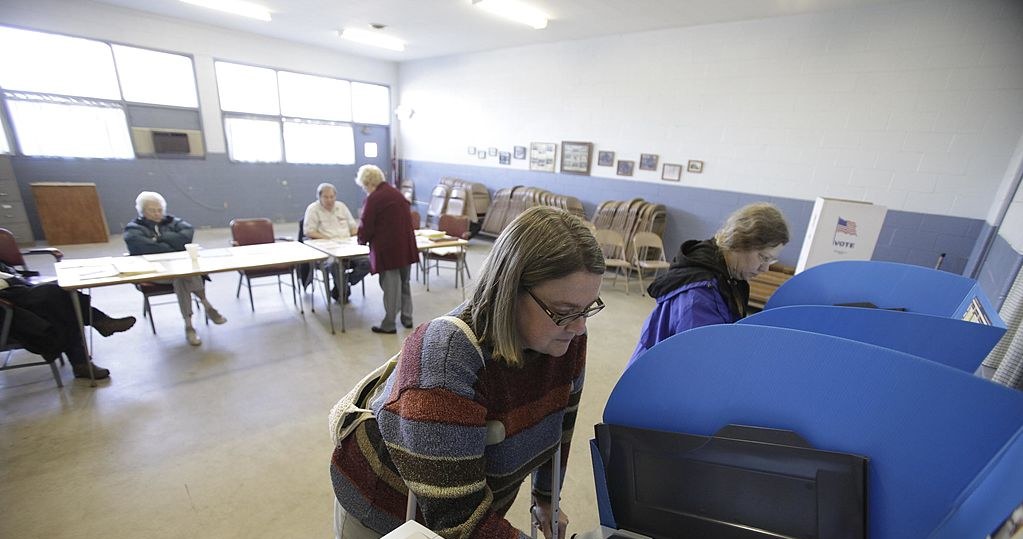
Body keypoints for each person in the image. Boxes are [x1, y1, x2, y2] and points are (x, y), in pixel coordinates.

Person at [330, 206, 605, 539]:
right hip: (385, 509)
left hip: (469, 503)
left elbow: (560, 424)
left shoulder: (567, 337)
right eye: (564, 311)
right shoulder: (447, 358)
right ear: (510, 290)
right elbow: (459, 520)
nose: (579, 326)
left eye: (588, 308)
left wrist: (547, 499)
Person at [627, 202, 789, 369]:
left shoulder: (726, 276)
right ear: (740, 242)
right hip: (656, 378)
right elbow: (700, 364)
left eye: (771, 260)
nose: (766, 268)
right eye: (763, 257)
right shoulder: (700, 296)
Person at [123, 191, 226, 346]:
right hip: (155, 273)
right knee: (186, 275)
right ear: (143, 211)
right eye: (152, 210)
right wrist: (172, 244)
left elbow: (186, 236)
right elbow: (142, 246)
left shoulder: (173, 221)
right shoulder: (134, 228)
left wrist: (159, 239)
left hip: (178, 271)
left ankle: (189, 325)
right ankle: (207, 306)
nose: (157, 213)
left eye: (159, 209)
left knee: (181, 276)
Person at [1, 263, 135, 379]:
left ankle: (83, 360)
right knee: (58, 297)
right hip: (7, 310)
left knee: (62, 298)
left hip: (12, 290)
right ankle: (100, 324)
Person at [353, 165, 419, 334]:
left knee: (390, 287)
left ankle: (389, 324)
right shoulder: (396, 193)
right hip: (406, 247)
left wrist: (361, 240)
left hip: (387, 250)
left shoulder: (374, 198)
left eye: (363, 185)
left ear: (367, 182)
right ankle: (407, 318)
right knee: (404, 283)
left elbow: (366, 225)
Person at [302, 182, 371, 302]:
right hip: (327, 249)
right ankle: (342, 291)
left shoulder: (341, 207)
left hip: (347, 246)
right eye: (326, 197)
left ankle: (345, 282)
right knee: (335, 265)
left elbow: (353, 228)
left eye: (332, 197)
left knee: (369, 262)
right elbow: (309, 232)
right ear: (319, 197)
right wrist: (328, 239)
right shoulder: (313, 209)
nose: (329, 200)